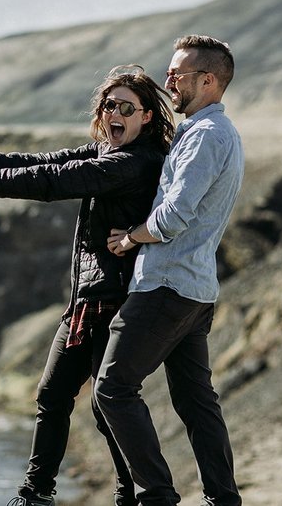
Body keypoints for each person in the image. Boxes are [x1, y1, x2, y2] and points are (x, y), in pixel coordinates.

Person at [0, 66, 175, 506]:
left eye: (126, 107)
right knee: (52, 396)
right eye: (109, 105)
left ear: (146, 116)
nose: (114, 113)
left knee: (104, 406)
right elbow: (48, 162)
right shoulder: (107, 150)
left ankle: (133, 494)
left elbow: (59, 182)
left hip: (113, 299)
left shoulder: (134, 162)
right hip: (87, 298)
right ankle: (36, 493)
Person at [98, 35, 244, 506]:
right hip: (196, 290)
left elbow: (175, 215)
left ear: (208, 80)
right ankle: (223, 499)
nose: (168, 83)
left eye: (177, 74)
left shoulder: (205, 136)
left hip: (165, 284)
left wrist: (130, 237)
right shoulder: (214, 133)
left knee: (113, 389)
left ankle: (156, 496)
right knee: (197, 402)